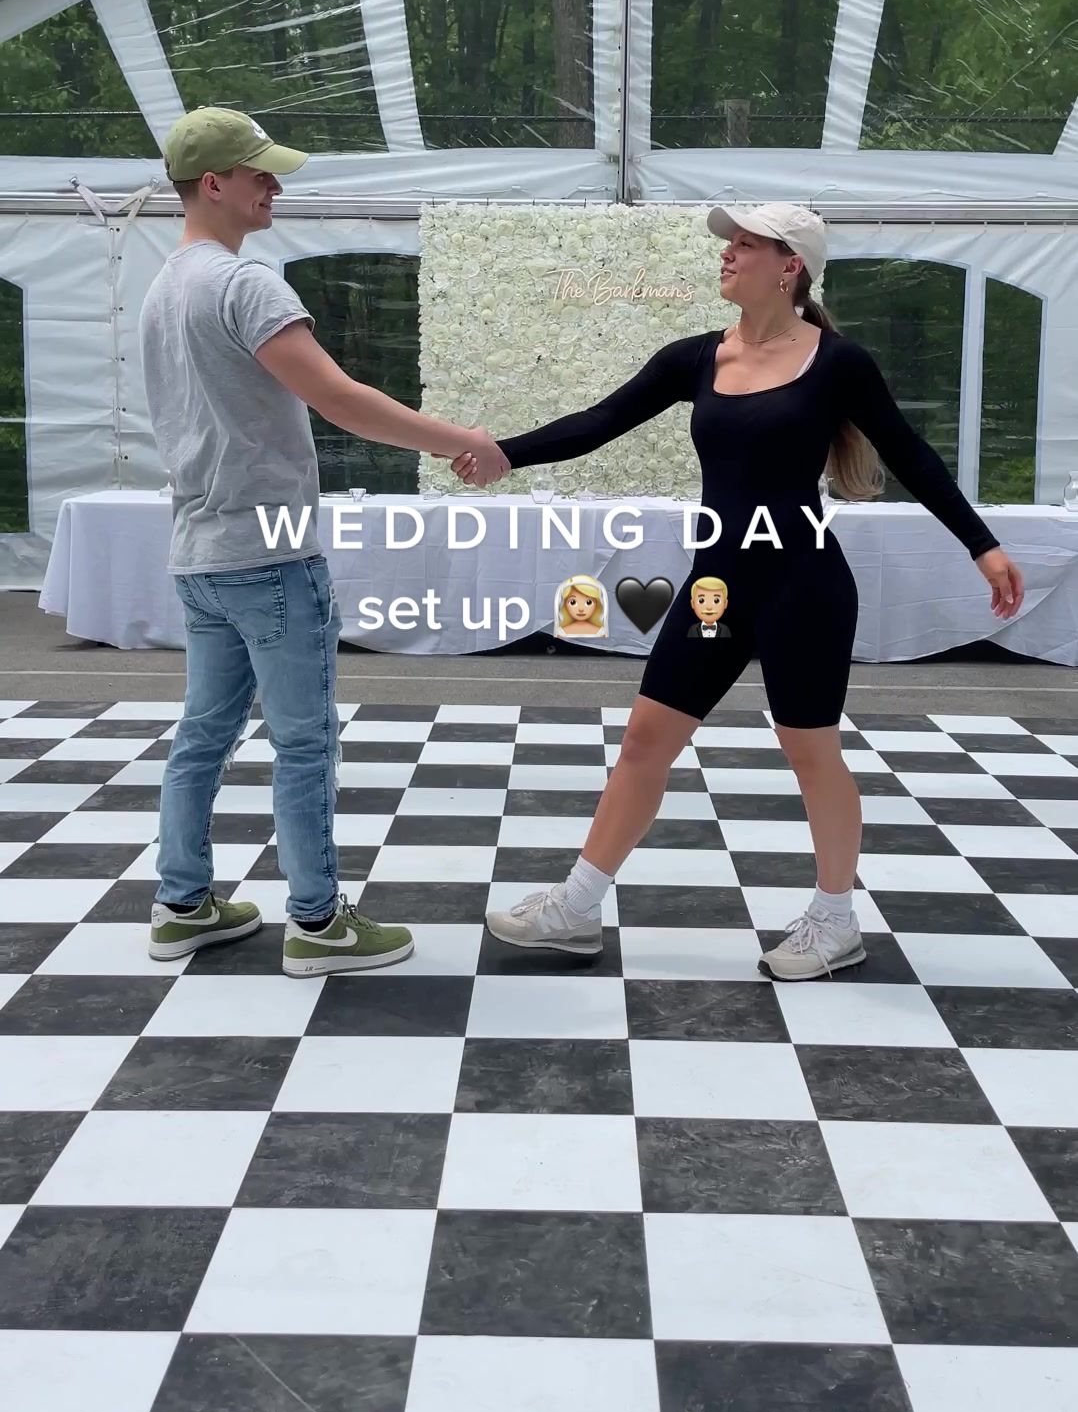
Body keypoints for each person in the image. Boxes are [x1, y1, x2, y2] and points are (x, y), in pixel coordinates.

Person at [453, 201, 1024, 982]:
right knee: (645, 741)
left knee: (810, 751)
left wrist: (982, 545)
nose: (727, 254)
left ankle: (835, 923)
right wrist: (503, 454)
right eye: (730, 244)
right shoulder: (695, 358)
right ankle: (576, 909)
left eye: (747, 245)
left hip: (803, 583)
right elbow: (599, 421)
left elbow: (911, 454)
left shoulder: (839, 363)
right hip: (717, 588)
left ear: (791, 266)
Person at [139, 106, 508, 973]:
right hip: (271, 554)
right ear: (213, 183)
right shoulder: (246, 285)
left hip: (201, 553)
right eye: (259, 172)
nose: (274, 184)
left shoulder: (161, 289)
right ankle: (317, 922)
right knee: (304, 742)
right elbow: (338, 398)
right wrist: (461, 439)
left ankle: (182, 904)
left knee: (204, 734)